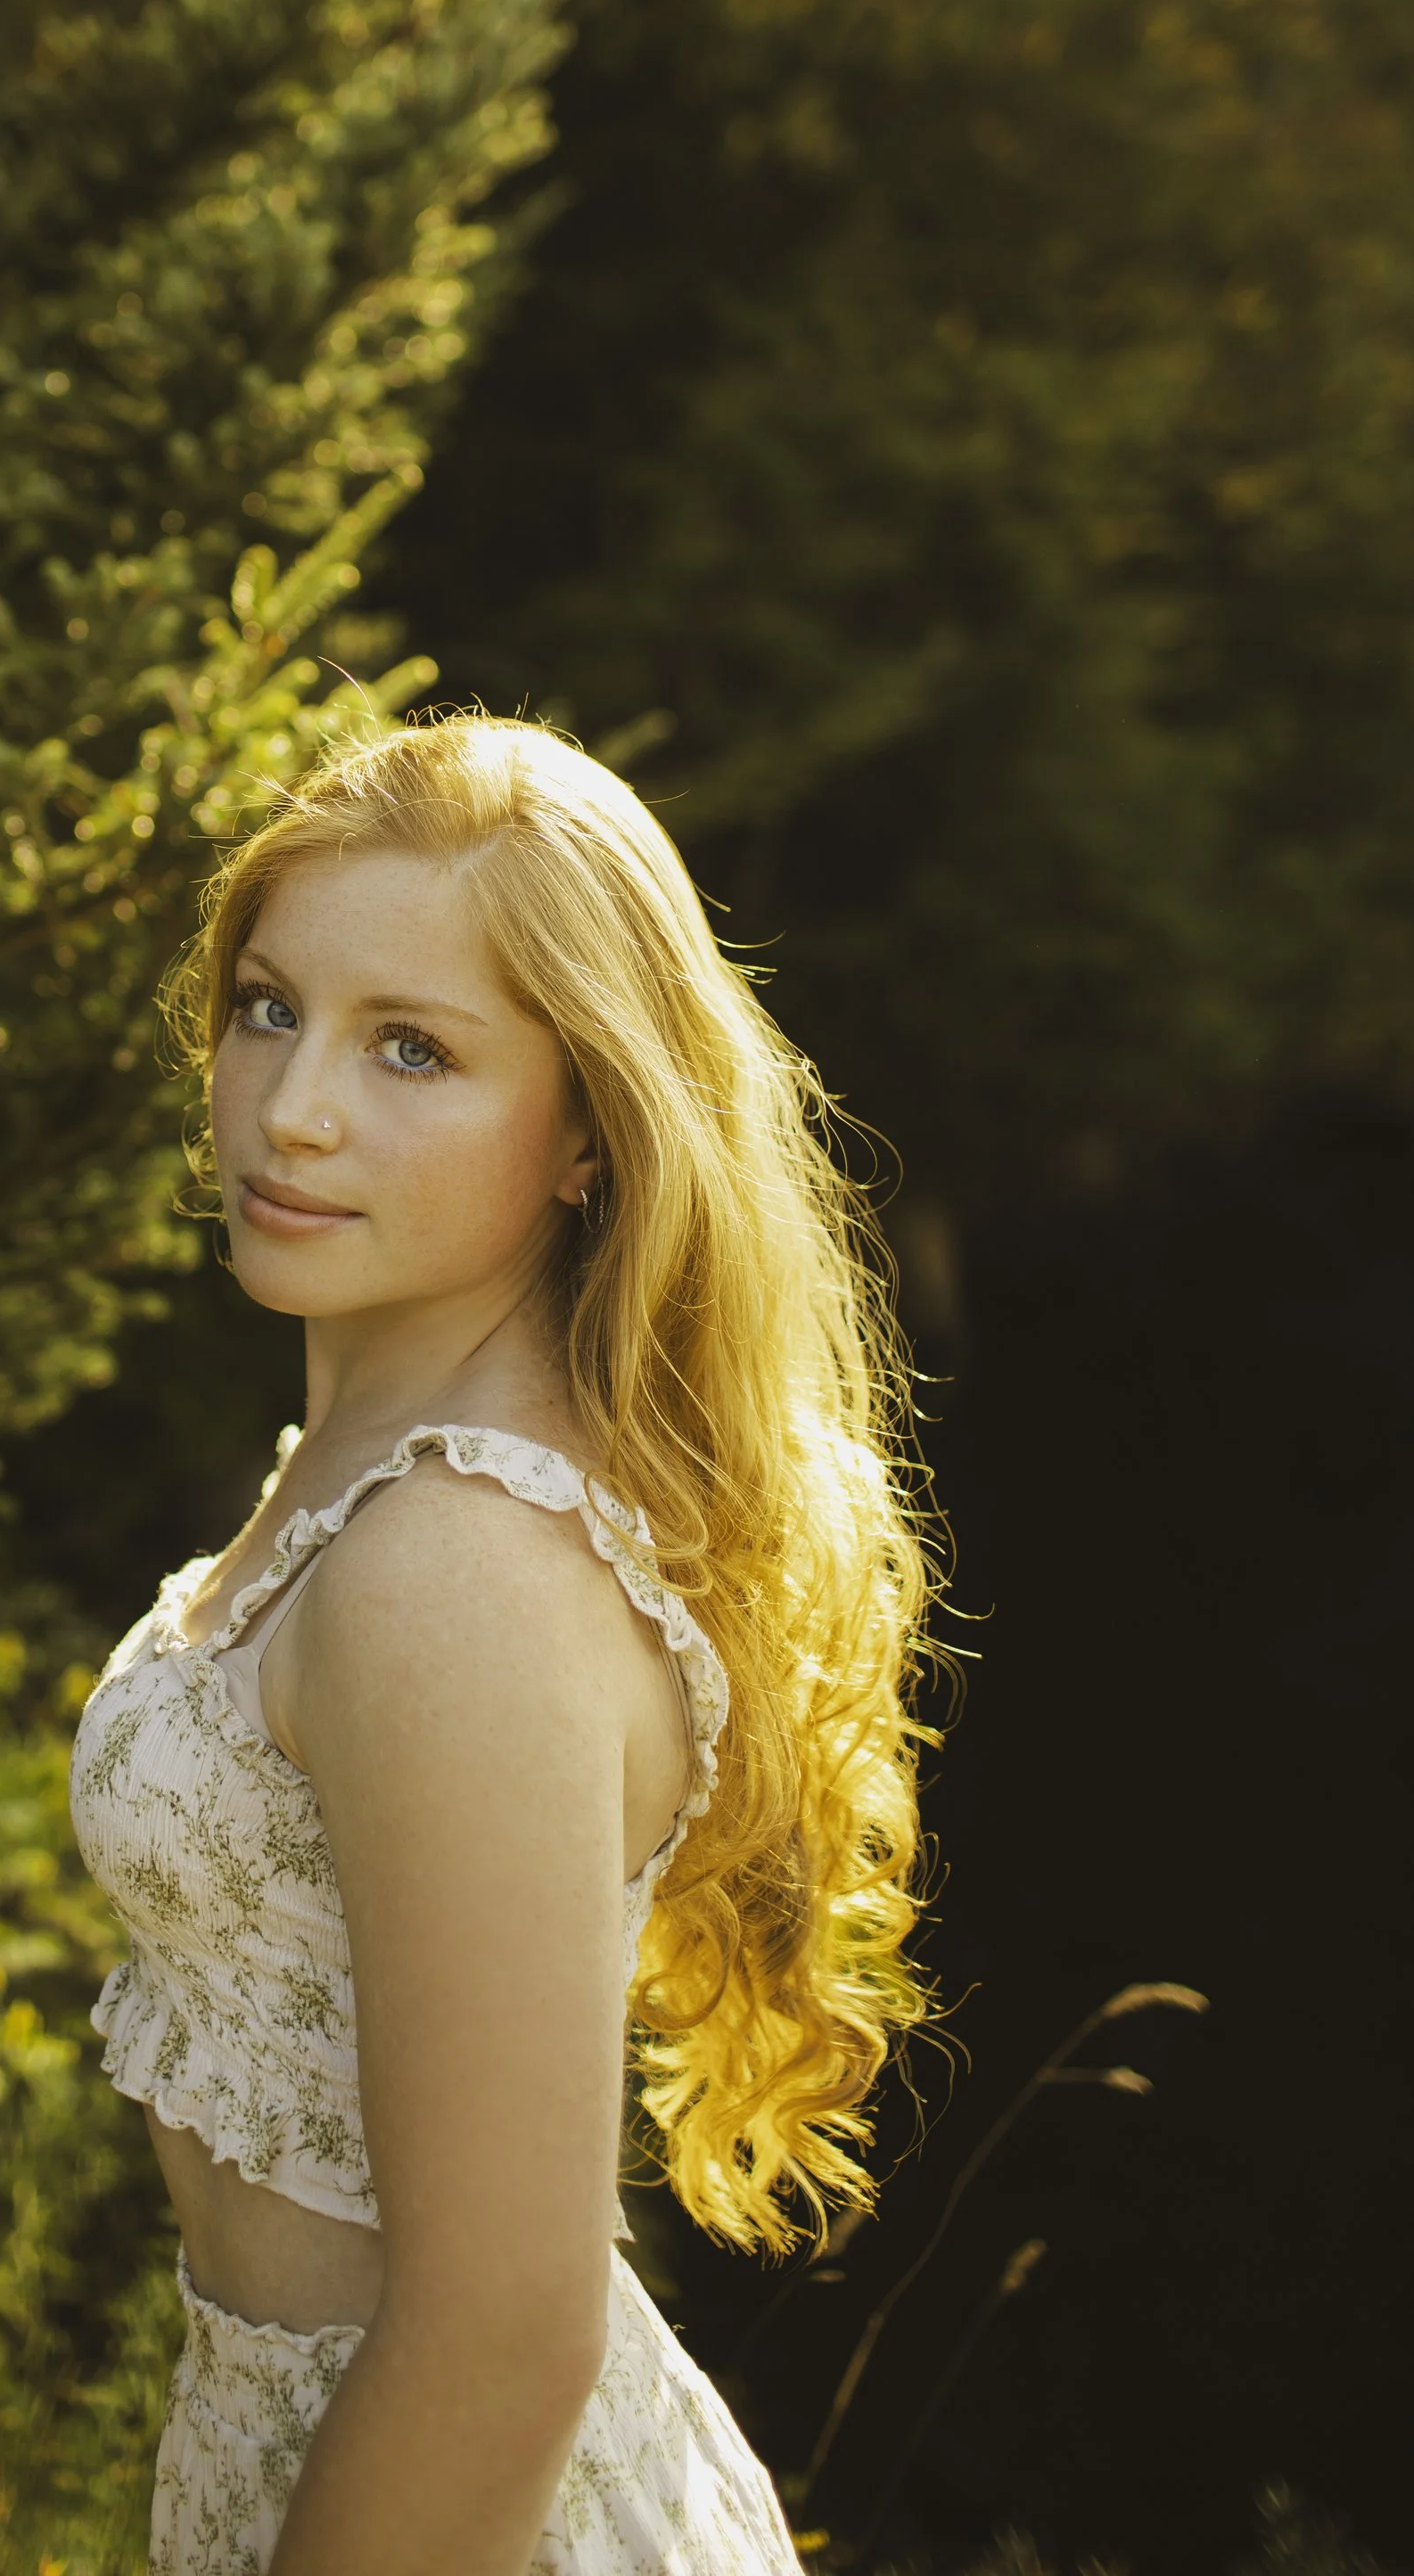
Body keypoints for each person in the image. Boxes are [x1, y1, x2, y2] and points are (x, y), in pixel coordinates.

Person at [70, 713, 933, 2573]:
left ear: (582, 1137)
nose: (293, 1108)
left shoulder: (452, 1564)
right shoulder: (368, 1469)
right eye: (266, 1008)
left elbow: (498, 2331)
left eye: (412, 1050)